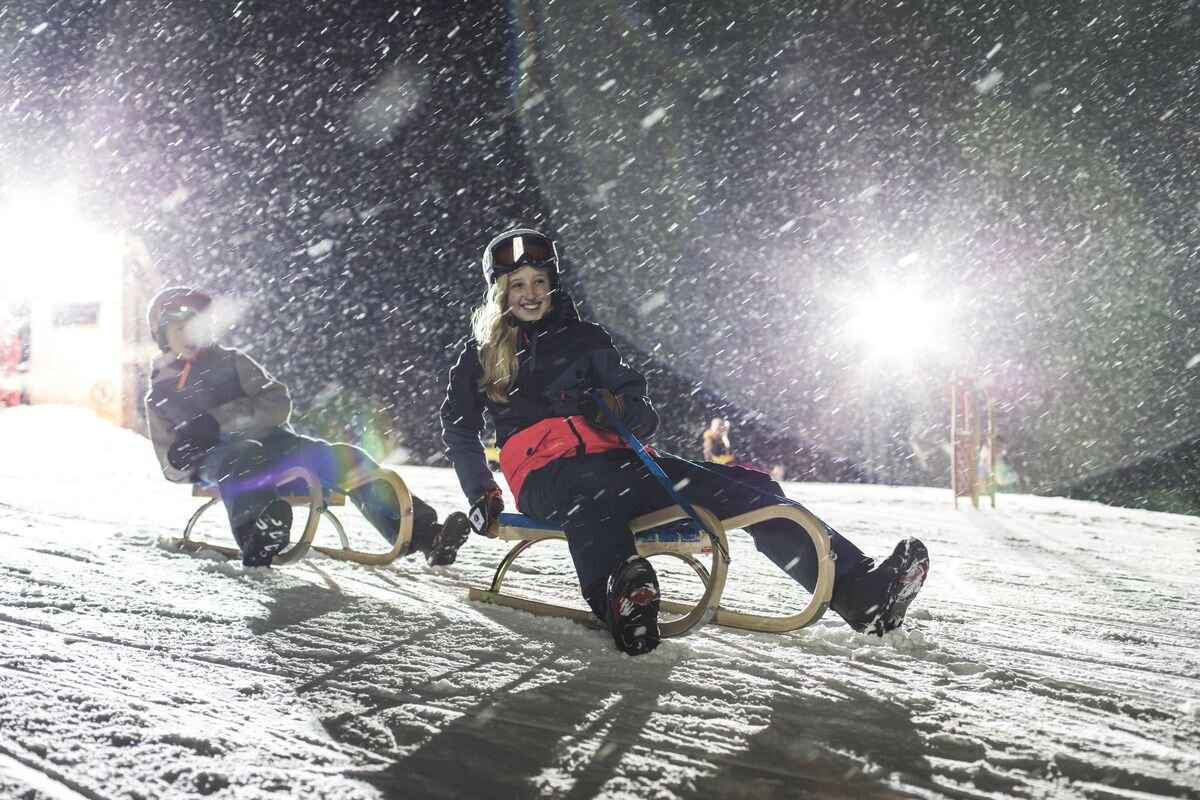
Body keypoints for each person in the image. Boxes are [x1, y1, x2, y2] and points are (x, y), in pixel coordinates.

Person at [441, 229, 930, 656]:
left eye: (539, 282)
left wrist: (615, 408)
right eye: (518, 284)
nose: (530, 294)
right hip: (547, 476)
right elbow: (459, 425)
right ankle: (621, 599)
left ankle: (859, 594)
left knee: (751, 489)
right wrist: (481, 492)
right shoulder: (482, 353)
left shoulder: (587, 339)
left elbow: (643, 415)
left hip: (623, 463)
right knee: (590, 490)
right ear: (501, 292)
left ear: (552, 285)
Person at [145, 286, 470, 568]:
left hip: (277, 446)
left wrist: (219, 420)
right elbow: (169, 465)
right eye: (180, 329)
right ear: (162, 335)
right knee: (242, 457)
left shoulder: (233, 362)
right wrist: (180, 456)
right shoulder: (160, 395)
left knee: (345, 457)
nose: (191, 335)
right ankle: (258, 535)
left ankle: (426, 535)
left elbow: (277, 401)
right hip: (220, 459)